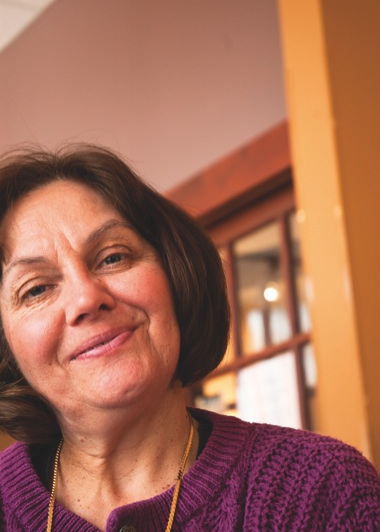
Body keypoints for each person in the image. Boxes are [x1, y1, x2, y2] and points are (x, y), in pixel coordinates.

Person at [0, 143, 378, 532]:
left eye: (113, 257)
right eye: (36, 289)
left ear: (176, 274)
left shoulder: (323, 489)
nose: (86, 298)